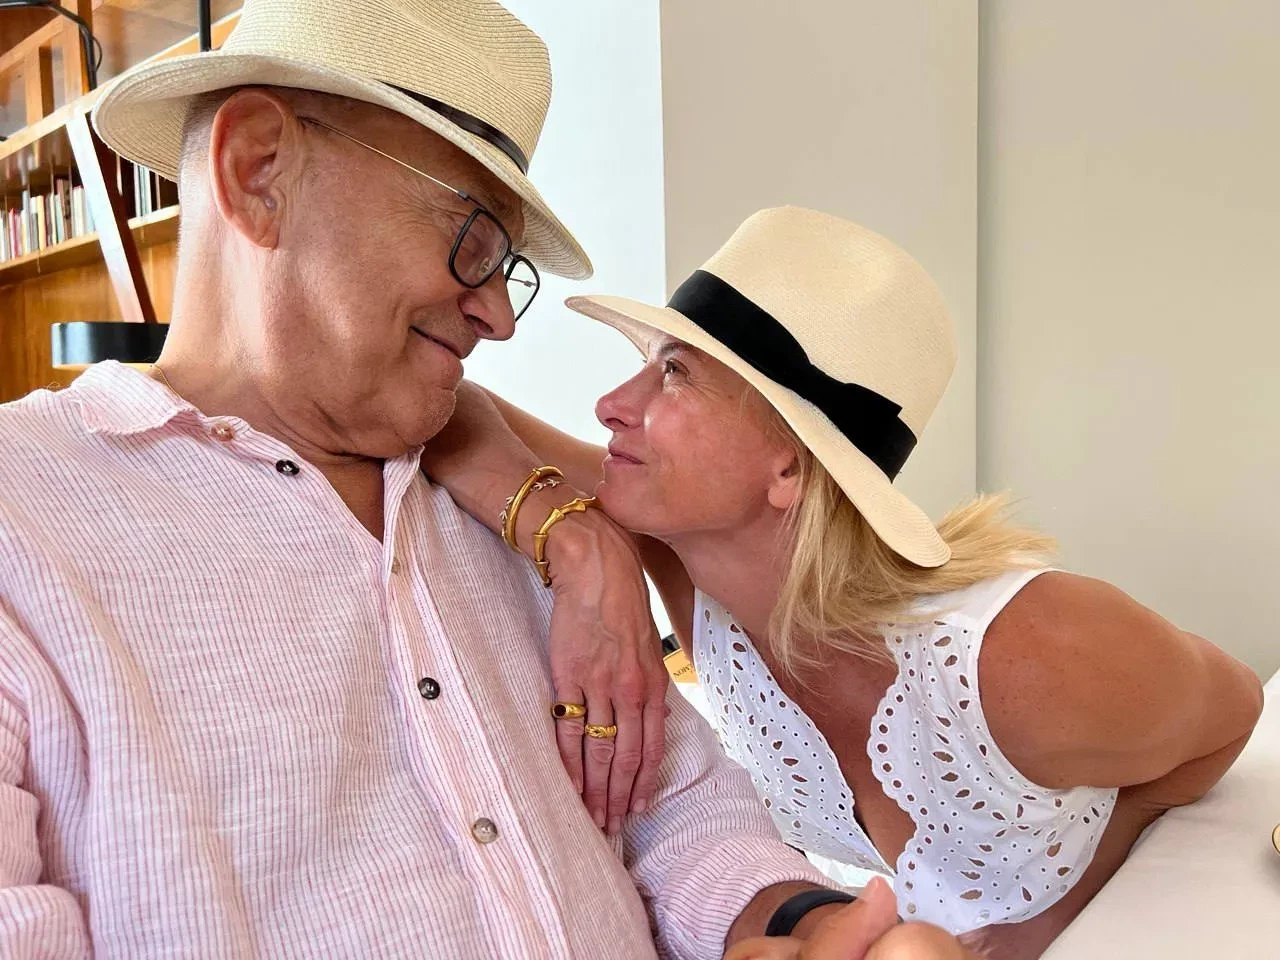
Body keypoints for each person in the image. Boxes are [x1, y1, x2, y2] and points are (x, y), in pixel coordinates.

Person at [0, 2, 982, 958]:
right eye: (472, 239)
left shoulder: (499, 496)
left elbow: (678, 815)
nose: (501, 319)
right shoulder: (26, 526)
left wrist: (794, 924)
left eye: (504, 265)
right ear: (259, 170)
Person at [422, 205, 1265, 959]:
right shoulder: (684, 564)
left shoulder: (1023, 653)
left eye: (676, 373)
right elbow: (449, 407)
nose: (610, 402)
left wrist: (1057, 916)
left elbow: (1234, 713)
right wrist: (581, 551)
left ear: (789, 467)